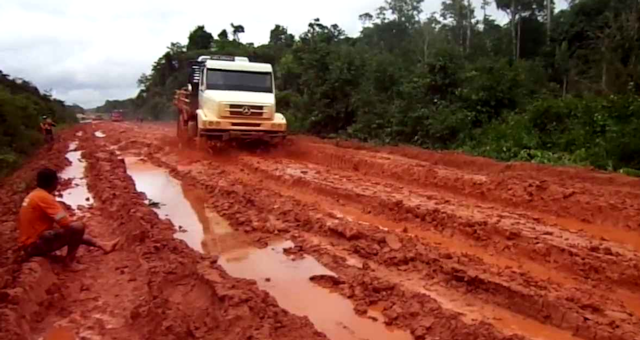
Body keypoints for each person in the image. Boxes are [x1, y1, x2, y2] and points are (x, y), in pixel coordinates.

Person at [19, 168, 118, 269]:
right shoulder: (44, 198)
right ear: (54, 182)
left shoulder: (35, 195)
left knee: (70, 231)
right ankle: (69, 262)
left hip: (29, 244)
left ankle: (102, 245)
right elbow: (64, 222)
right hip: (34, 246)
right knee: (77, 228)